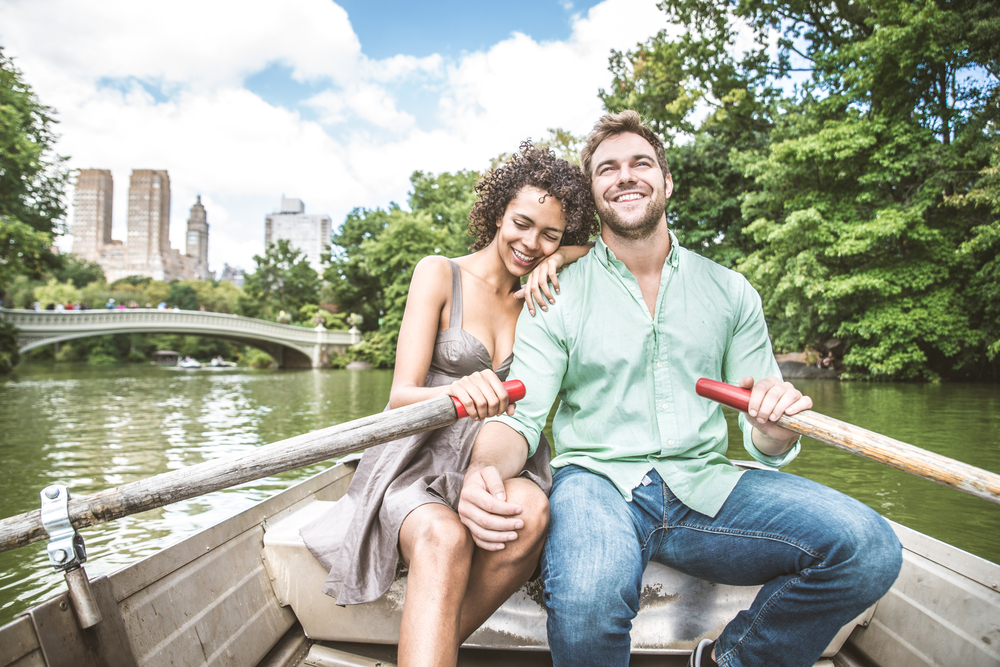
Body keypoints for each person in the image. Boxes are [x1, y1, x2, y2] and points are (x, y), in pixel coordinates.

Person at [457, 112, 903, 667]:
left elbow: (767, 437)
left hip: (706, 484)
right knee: (588, 598)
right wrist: (482, 473)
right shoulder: (556, 293)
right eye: (607, 169)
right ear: (593, 196)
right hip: (597, 483)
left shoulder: (730, 291)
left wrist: (770, 426)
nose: (625, 176)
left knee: (869, 549)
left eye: (640, 163)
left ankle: (728, 660)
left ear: (667, 182)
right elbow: (520, 420)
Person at [299, 142, 599, 667]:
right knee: (445, 536)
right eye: (522, 223)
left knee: (531, 513)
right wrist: (456, 393)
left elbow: (615, 250)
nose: (531, 243)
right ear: (498, 212)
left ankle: (421, 653)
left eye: (550, 234)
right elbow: (400, 397)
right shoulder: (439, 272)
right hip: (418, 459)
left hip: (498, 457)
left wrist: (567, 255)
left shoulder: (546, 294)